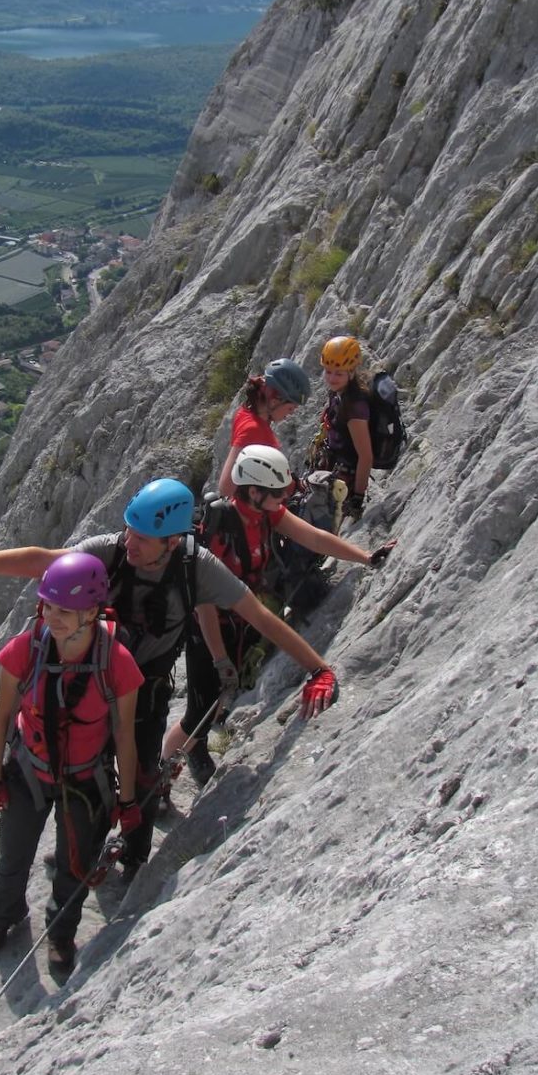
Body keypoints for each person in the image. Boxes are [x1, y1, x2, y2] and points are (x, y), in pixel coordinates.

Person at [0, 478, 339, 883]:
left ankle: (135, 857)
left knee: (144, 777)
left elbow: (259, 616)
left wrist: (318, 668)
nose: (129, 542)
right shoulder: (112, 550)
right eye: (128, 530)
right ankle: (85, 855)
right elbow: (44, 560)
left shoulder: (197, 569)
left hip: (145, 689)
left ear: (171, 542)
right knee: (89, 776)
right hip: (93, 683)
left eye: (142, 538)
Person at [163, 445, 396, 786]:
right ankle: (160, 780)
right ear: (254, 492)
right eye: (277, 494)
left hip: (241, 618)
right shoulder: (218, 532)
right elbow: (204, 604)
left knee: (214, 702)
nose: (283, 500)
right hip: (207, 627)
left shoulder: (266, 514)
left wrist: (365, 557)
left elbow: (314, 537)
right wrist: (219, 658)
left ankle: (195, 749)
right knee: (197, 711)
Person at [0, 552, 143, 969]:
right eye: (48, 605)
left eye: (65, 609)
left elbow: (124, 732)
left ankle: (61, 932)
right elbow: (0, 720)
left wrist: (128, 797)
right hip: (28, 771)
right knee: (12, 856)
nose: (53, 616)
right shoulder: (26, 649)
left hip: (85, 782)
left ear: (91, 611)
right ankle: (4, 915)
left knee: (74, 866)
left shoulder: (116, 663)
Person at [218, 358, 311, 497]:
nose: (291, 413)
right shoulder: (255, 430)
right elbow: (226, 487)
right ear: (275, 401)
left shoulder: (245, 412)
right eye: (290, 408)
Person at [309, 335, 373, 520]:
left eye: (338, 373)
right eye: (328, 371)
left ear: (351, 372)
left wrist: (357, 499)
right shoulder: (340, 393)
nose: (332, 378)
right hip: (333, 466)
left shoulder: (355, 407)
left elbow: (366, 456)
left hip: (344, 479)